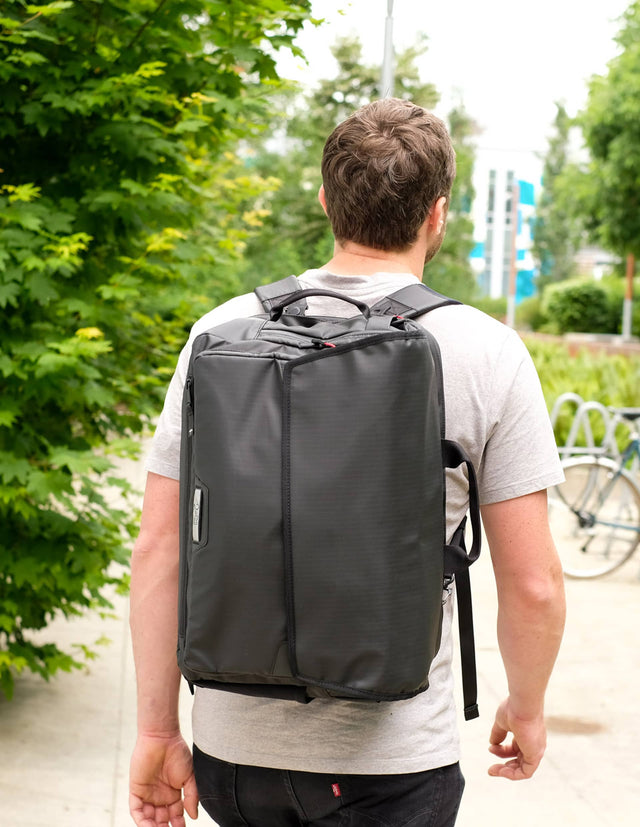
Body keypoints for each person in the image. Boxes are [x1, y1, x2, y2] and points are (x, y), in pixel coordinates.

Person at [129, 98, 566, 827]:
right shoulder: (487, 351)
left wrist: (155, 730)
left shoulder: (221, 330)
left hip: (235, 755)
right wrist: (527, 707)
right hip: (390, 762)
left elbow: (161, 549)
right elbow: (534, 582)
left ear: (327, 199)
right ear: (438, 214)